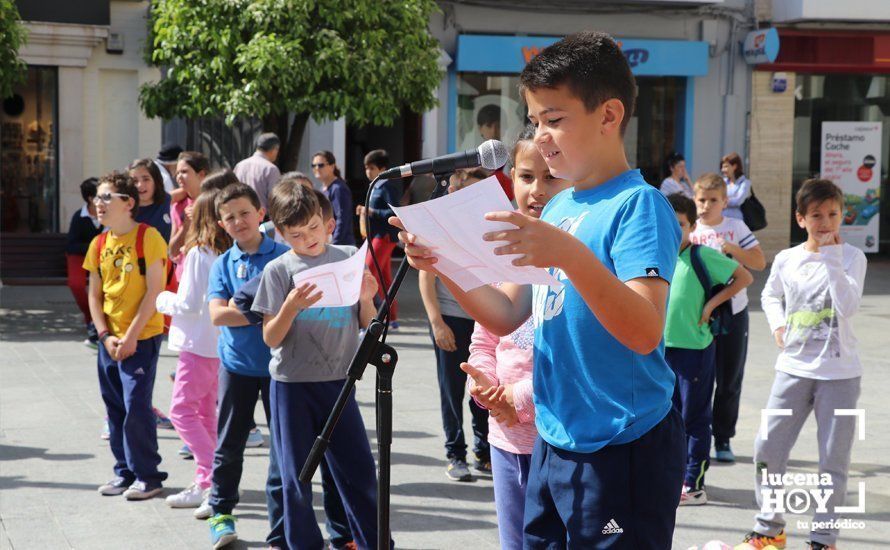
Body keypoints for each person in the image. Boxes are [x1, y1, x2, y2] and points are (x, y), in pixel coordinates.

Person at [393, 32, 685, 547]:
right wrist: (445, 264)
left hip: (622, 443)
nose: (541, 136)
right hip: (554, 438)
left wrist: (568, 254)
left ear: (609, 115)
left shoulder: (639, 205)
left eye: (554, 119)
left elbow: (644, 330)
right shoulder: (558, 207)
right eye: (534, 122)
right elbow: (506, 313)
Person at [252, 183, 382, 550]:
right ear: (281, 233)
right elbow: (270, 338)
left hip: (340, 381)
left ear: (328, 222)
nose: (307, 238)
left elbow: (365, 324)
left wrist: (367, 299)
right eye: (295, 234)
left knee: (358, 470)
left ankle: (374, 541)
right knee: (297, 476)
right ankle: (303, 543)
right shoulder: (279, 270)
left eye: (312, 227)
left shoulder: (347, 255)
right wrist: (290, 307)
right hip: (291, 385)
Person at [460, 124, 571, 549]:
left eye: (550, 177)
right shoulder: (500, 251)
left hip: (557, 440)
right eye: (526, 177)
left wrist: (517, 399)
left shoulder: (574, 255)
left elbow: (573, 358)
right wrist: (485, 387)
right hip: (505, 437)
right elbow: (485, 339)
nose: (537, 190)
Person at [742, 179, 867, 550]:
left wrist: (831, 258)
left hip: (840, 375)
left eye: (833, 214)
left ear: (843, 215)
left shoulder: (852, 258)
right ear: (801, 219)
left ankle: (823, 539)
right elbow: (769, 293)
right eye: (816, 215)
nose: (825, 222)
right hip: (793, 370)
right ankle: (769, 528)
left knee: (833, 461)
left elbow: (847, 307)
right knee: (767, 448)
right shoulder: (787, 259)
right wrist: (778, 324)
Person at [204, 183, 287, 549]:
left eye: (244, 213)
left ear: (261, 214)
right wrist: (268, 308)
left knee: (283, 450)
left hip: (281, 368)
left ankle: (282, 527)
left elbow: (294, 311)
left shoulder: (284, 256)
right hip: (235, 367)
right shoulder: (222, 264)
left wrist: (250, 310)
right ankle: (221, 515)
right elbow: (218, 316)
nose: (238, 221)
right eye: (229, 217)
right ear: (222, 224)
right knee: (228, 445)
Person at [84, 171, 168, 500]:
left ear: (128, 203)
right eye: (97, 198)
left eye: (106, 197)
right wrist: (105, 336)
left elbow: (155, 290)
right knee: (115, 406)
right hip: (109, 340)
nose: (98, 204)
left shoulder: (148, 237)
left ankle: (149, 475)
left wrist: (131, 336)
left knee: (136, 405)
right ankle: (125, 471)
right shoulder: (99, 243)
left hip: (141, 337)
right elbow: (95, 295)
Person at [664, 193, 752, 506]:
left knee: (694, 418)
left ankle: (694, 483)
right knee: (667, 418)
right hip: (661, 351)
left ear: (691, 227)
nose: (674, 230)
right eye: (668, 223)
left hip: (694, 350)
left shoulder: (702, 255)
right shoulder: (655, 254)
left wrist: (712, 304)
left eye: (680, 224)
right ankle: (672, 478)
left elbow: (744, 276)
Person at [156, 189, 231, 509]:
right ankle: (208, 478)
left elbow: (186, 303)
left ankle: (212, 474)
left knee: (182, 412)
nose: (185, 214)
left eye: (191, 212)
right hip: (216, 344)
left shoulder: (200, 252)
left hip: (197, 344)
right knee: (204, 413)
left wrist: (161, 299)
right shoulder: (224, 250)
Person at [418, 167, 491, 482]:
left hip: (486, 322)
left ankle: (484, 451)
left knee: (484, 391)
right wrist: (437, 323)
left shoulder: (493, 228)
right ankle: (455, 453)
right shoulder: (441, 230)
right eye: (466, 193)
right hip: (450, 320)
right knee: (452, 392)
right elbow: (426, 277)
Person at [689, 172, 767, 463]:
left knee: (729, 378)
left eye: (713, 200)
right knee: (696, 379)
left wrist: (733, 249)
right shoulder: (691, 231)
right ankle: (694, 438)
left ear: (724, 202)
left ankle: (723, 438)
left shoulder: (735, 227)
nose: (706, 205)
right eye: (701, 200)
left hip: (733, 312)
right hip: (696, 316)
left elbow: (759, 262)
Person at [356, 149, 403, 326]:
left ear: (382, 168)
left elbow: (393, 211)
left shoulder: (387, 186)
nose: (368, 171)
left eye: (372, 168)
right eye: (366, 168)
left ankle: (366, 319)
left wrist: (371, 211)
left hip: (383, 237)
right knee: (384, 280)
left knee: (367, 274)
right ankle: (391, 318)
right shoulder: (374, 185)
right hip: (373, 236)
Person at [66, 177, 101, 346]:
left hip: (102, 257)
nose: (104, 199)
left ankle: (98, 321)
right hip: (79, 256)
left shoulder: (109, 213)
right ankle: (90, 317)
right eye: (100, 195)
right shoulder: (79, 217)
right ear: (90, 198)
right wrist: (94, 246)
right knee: (76, 284)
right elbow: (72, 245)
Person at [170, 151, 209, 280]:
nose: (179, 177)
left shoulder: (215, 201)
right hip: (183, 275)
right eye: (177, 173)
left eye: (184, 172)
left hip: (208, 272)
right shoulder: (177, 206)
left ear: (201, 174)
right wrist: (185, 226)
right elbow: (172, 251)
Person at [312, 150, 355, 246]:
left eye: (321, 165)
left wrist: (334, 244)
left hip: (340, 245)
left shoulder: (338, 188)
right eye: (314, 165)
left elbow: (342, 219)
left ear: (332, 166)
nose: (317, 168)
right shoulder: (323, 188)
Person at [233, 133, 281, 210]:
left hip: (241, 214)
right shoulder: (271, 169)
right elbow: (274, 199)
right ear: (274, 149)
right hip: (263, 217)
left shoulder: (240, 165)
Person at [129, 158, 172, 242]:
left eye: (146, 179)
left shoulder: (165, 199)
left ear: (156, 181)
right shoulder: (125, 209)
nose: (140, 185)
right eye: (135, 181)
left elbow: (183, 192)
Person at [720, 152, 752, 220]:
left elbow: (738, 201)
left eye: (726, 166)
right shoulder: (722, 182)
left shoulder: (745, 183)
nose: (723, 170)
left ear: (734, 166)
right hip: (721, 220)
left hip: (735, 220)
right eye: (722, 167)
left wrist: (720, 201)